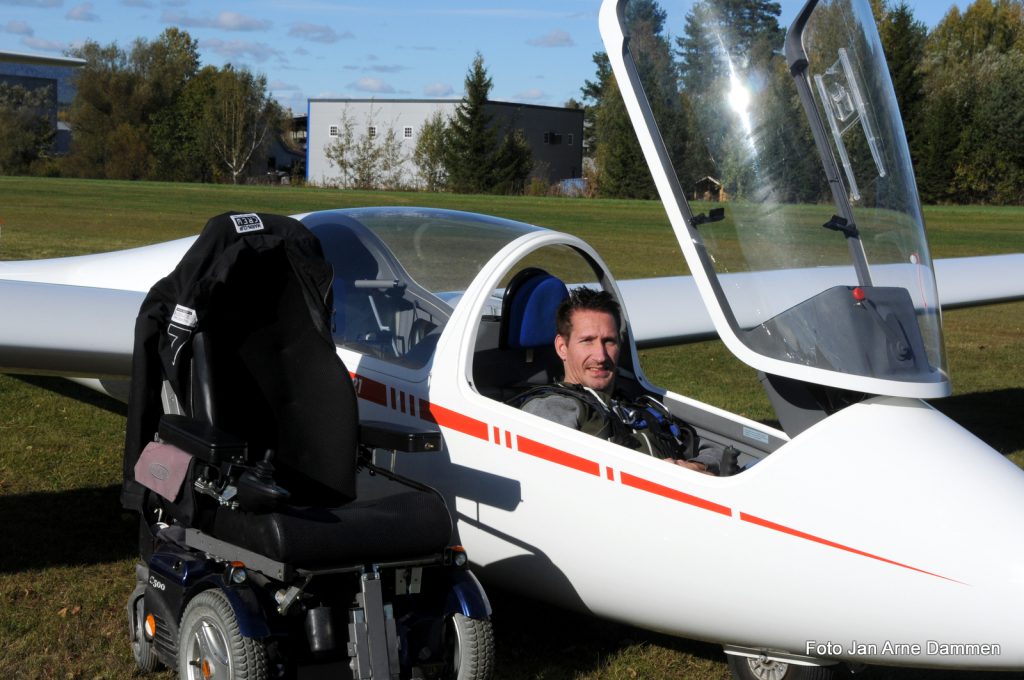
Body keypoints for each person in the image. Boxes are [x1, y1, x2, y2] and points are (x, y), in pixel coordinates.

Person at [518, 287, 725, 474]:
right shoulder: (553, 409)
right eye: (587, 341)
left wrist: (696, 467)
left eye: (609, 341)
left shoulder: (637, 405)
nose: (600, 356)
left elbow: (716, 450)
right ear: (562, 347)